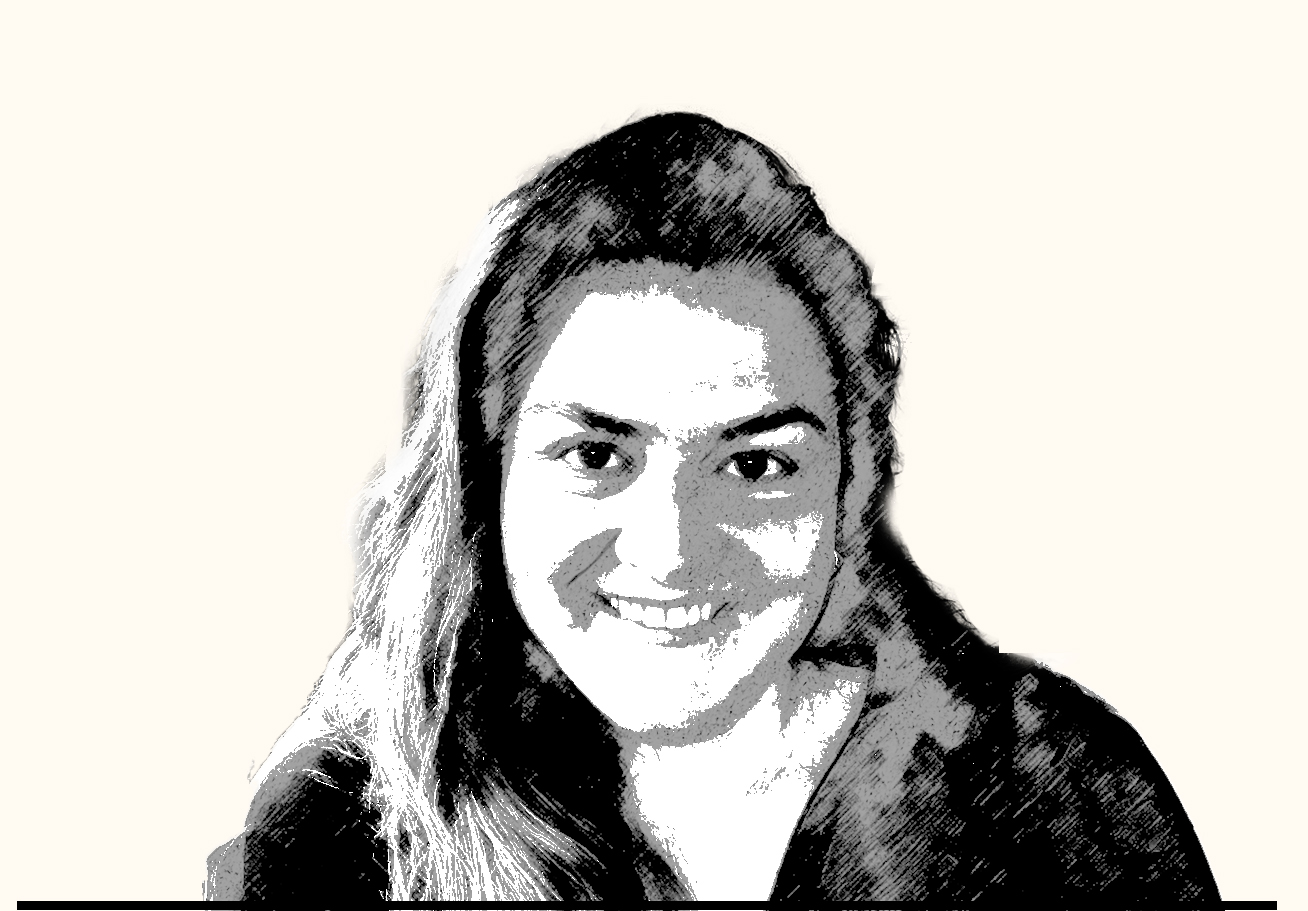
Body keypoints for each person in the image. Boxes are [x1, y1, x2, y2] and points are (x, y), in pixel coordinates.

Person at [205, 112, 1219, 902]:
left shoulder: (1049, 791)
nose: (671, 548)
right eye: (595, 455)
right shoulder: (343, 831)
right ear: (487, 476)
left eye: (756, 464)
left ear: (849, 488)